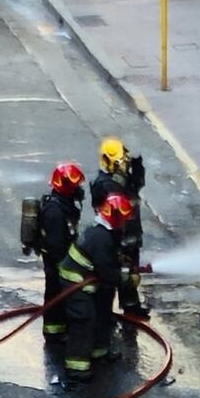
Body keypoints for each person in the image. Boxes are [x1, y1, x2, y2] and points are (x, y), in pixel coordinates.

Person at [58, 192, 134, 382]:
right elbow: (107, 272)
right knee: (83, 320)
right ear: (115, 218)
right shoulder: (101, 238)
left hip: (88, 280)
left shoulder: (103, 232)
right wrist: (128, 280)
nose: (125, 223)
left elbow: (106, 262)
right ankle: (76, 367)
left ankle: (99, 351)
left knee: (103, 313)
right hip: (75, 283)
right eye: (123, 219)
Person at [90, 137, 149, 318]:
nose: (124, 164)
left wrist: (137, 169)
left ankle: (131, 307)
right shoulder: (105, 184)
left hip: (131, 236)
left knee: (130, 275)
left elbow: (136, 188)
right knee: (113, 277)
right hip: (117, 238)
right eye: (121, 161)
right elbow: (115, 207)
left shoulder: (122, 180)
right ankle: (104, 315)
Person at [36, 161, 85, 345]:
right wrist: (65, 267)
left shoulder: (64, 204)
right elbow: (56, 244)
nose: (79, 188)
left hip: (60, 259)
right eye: (76, 185)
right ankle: (54, 333)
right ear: (66, 187)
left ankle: (58, 329)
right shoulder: (55, 211)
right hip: (57, 262)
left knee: (57, 295)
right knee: (56, 295)